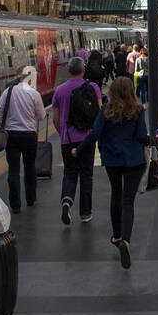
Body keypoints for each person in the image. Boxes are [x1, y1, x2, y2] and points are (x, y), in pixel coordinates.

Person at [75, 76, 158, 269]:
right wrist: (155, 139)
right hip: (133, 161)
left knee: (116, 195)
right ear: (131, 91)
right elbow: (141, 137)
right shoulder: (138, 111)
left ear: (112, 92)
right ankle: (126, 241)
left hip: (113, 161)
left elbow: (94, 134)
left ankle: (116, 236)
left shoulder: (106, 111)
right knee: (128, 201)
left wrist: (78, 150)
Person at [52, 57, 101, 224]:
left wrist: (63, 133)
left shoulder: (59, 90)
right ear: (83, 70)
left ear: (68, 70)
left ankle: (67, 199)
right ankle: (85, 213)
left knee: (70, 172)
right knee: (87, 174)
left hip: (68, 139)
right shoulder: (93, 87)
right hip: (87, 139)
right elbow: (99, 113)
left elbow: (55, 118)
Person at [0, 65, 46, 211]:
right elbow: (41, 116)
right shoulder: (34, 94)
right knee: (30, 167)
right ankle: (30, 199)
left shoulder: (9, 91)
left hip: (11, 135)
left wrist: (3, 125)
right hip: (29, 135)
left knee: (13, 170)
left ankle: (15, 204)